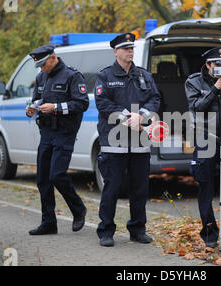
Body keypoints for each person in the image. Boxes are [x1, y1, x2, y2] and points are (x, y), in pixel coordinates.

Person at [94, 33, 160, 247]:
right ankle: (106, 231)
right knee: (112, 187)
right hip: (114, 142)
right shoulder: (105, 75)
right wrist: (126, 118)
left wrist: (141, 115)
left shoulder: (143, 75)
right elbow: (103, 103)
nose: (130, 51)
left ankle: (137, 229)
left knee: (140, 188)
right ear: (116, 52)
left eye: (131, 48)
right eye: (125, 48)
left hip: (140, 141)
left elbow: (155, 98)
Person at [25, 44, 89, 235]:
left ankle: (79, 209)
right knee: (42, 178)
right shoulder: (41, 76)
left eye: (44, 64)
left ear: (53, 58)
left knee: (57, 175)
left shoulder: (72, 76)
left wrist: (56, 107)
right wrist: (31, 108)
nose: (42, 68)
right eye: (39, 66)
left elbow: (82, 103)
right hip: (46, 131)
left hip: (65, 132)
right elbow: (37, 99)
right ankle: (49, 222)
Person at [185, 47, 221, 248]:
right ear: (208, 65)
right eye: (217, 65)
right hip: (205, 137)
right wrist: (215, 89)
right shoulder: (193, 81)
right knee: (205, 185)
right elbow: (197, 107)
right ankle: (210, 233)